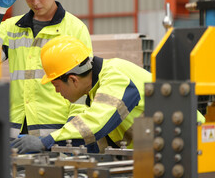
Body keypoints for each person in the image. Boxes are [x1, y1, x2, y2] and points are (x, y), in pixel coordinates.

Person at [12, 36, 206, 154]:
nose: (56, 91)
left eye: (55, 85)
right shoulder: (93, 89)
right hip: (167, 151)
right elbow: (92, 131)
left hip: (195, 145)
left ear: (73, 79)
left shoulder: (114, 76)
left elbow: (97, 123)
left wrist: (46, 141)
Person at [0, 0, 92, 139]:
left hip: (56, 132)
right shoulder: (11, 28)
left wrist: (70, 135)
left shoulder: (74, 29)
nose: (36, 2)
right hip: (15, 131)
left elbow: (83, 88)